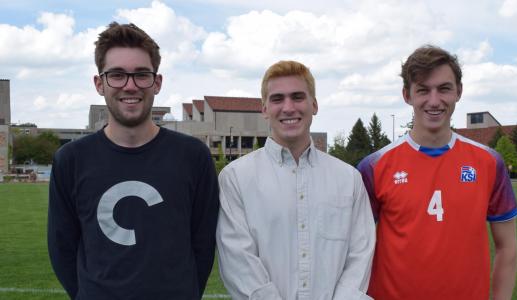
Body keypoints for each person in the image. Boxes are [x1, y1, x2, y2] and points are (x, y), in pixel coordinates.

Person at [47, 22, 219, 299]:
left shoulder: (192, 156)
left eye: (141, 75)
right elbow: (61, 246)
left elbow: (203, 243)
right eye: (117, 75)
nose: (130, 86)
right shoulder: (71, 160)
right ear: (99, 83)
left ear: (157, 82)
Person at [358, 45, 517, 300]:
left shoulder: (489, 162)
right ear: (407, 95)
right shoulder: (374, 166)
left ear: (458, 92)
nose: (434, 101)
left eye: (444, 88)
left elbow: (507, 247)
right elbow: (354, 251)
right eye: (423, 90)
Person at [216, 60, 376, 300]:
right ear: (264, 109)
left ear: (314, 105)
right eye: (277, 99)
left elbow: (360, 257)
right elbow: (238, 261)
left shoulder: (348, 179)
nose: (288, 108)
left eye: (298, 97)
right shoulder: (236, 178)